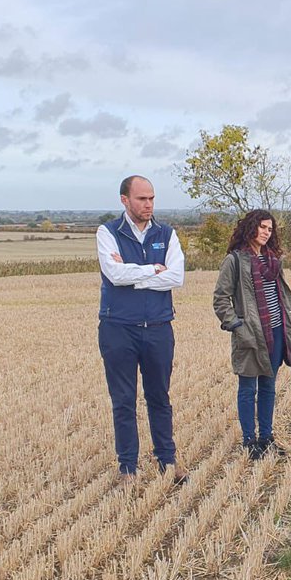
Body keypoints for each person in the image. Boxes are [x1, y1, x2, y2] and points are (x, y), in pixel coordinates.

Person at [96, 175, 187, 485]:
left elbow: (176, 278)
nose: (148, 204)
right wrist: (152, 270)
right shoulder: (108, 232)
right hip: (118, 328)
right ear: (125, 200)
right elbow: (113, 274)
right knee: (123, 400)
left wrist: (133, 275)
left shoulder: (167, 233)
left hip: (159, 327)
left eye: (151, 198)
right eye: (141, 199)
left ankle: (167, 461)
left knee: (159, 396)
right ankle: (128, 469)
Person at [213, 210, 291, 459]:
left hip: (276, 332)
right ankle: (249, 442)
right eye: (262, 227)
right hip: (251, 334)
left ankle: (266, 437)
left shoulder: (273, 260)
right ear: (250, 227)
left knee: (268, 386)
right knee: (247, 388)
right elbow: (221, 299)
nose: (266, 232)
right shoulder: (235, 261)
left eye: (270, 229)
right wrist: (237, 327)